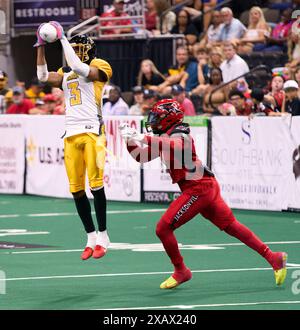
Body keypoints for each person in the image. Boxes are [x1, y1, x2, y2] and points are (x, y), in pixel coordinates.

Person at [119, 99, 287, 289]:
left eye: (157, 118)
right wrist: (129, 140)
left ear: (169, 118)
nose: (153, 121)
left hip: (198, 189)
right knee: (231, 226)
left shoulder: (179, 133)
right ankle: (274, 257)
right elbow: (141, 156)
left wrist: (142, 137)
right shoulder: (165, 135)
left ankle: (181, 270)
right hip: (205, 186)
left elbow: (176, 146)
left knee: (163, 228)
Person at [35, 23, 112, 261]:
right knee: (77, 190)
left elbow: (80, 67)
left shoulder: (100, 66)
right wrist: (39, 46)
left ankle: (104, 236)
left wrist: (62, 39)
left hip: (93, 133)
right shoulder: (66, 73)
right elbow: (42, 76)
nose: (76, 52)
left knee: (96, 185)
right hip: (71, 134)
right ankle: (90, 237)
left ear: (90, 50)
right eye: (74, 47)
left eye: (80, 48)